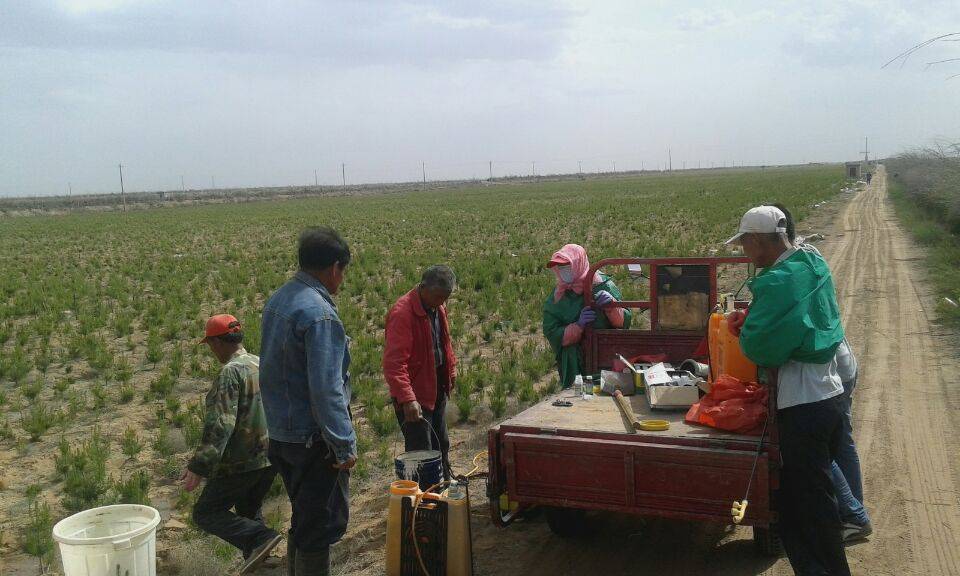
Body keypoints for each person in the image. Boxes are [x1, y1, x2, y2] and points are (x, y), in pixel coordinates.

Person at [726, 205, 850, 575]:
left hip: (802, 405)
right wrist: (756, 319)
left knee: (804, 512)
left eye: (746, 244)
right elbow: (801, 321)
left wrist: (747, 330)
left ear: (760, 240)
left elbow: (762, 348)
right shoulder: (810, 264)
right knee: (816, 503)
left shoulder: (779, 281)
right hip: (829, 396)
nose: (745, 253)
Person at [260, 227, 357, 576]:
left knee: (303, 517)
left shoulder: (279, 300)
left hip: (282, 436)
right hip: (314, 442)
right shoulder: (319, 314)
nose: (342, 279)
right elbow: (326, 389)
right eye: (343, 271)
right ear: (334, 268)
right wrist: (344, 447)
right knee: (319, 526)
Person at [773, 203, 872, 542]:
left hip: (826, 372)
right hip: (837, 364)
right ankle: (853, 512)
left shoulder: (795, 265)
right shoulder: (806, 256)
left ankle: (852, 515)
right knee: (839, 442)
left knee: (821, 448)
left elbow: (787, 321)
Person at [183, 314, 281, 575]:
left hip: (242, 461)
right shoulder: (260, 363)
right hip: (271, 457)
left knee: (206, 512)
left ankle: (261, 539)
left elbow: (221, 424)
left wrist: (199, 466)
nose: (212, 350)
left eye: (211, 344)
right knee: (249, 508)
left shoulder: (231, 372)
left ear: (218, 342)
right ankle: (263, 559)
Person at [383, 265, 458, 480]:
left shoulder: (437, 307)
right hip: (416, 395)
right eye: (438, 297)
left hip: (436, 388)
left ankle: (444, 481)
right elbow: (394, 364)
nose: (442, 302)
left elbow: (444, 343)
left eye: (445, 298)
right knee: (421, 451)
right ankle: (424, 498)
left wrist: (450, 371)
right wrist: (407, 399)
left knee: (441, 442)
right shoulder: (403, 313)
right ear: (423, 288)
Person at [542, 244, 632, 389]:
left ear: (579, 263)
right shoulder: (558, 295)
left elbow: (625, 322)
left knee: (606, 396)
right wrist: (577, 326)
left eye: (567, 266)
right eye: (560, 267)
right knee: (580, 398)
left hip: (605, 355)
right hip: (574, 361)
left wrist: (612, 307)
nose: (564, 271)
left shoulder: (602, 285)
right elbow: (551, 330)